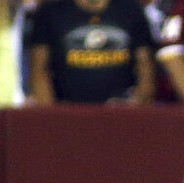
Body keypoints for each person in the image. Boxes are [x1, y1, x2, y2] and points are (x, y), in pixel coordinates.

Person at [26, 0, 156, 105]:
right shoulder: (50, 13)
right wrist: (51, 116)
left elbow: (145, 65)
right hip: (67, 111)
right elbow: (39, 69)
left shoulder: (131, 10)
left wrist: (137, 103)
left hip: (121, 112)